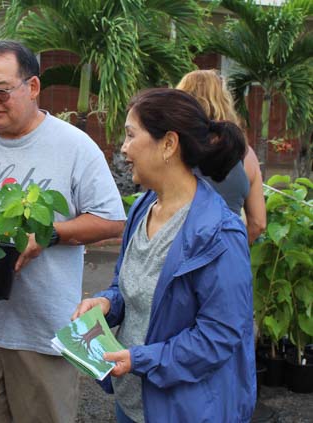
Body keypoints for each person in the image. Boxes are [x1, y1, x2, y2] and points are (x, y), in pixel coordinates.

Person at [0, 40, 126, 422]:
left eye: (1, 91)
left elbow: (112, 219)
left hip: (43, 334)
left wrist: (48, 235)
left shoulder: (73, 146)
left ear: (32, 88)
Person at [72, 88, 255, 422]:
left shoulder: (219, 232)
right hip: (132, 403)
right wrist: (108, 303)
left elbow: (219, 336)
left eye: (130, 135)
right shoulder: (143, 207)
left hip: (185, 411)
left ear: (169, 144)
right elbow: (129, 287)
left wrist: (141, 359)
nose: (123, 148)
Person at [176, 69, 266, 243]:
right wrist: (230, 248)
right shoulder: (245, 153)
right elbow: (258, 223)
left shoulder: (174, 146)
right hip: (225, 258)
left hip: (177, 253)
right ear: (224, 100)